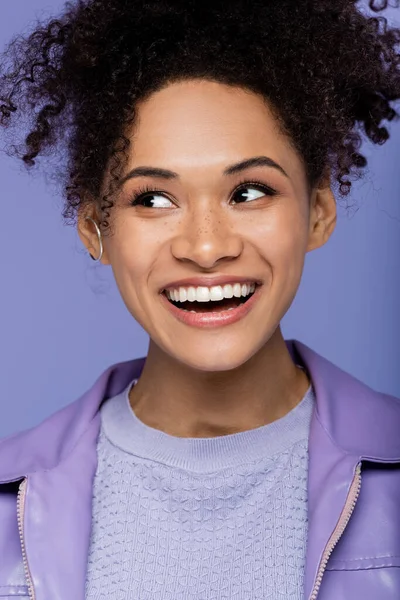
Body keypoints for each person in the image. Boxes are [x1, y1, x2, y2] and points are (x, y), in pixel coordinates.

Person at [0, 0, 399, 598]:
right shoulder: (11, 503)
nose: (206, 247)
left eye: (250, 191)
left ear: (318, 212)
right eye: (153, 200)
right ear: (94, 229)